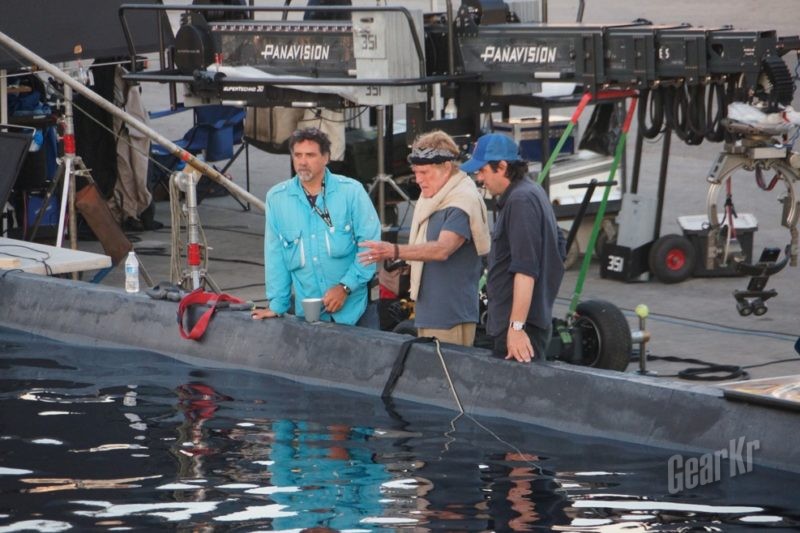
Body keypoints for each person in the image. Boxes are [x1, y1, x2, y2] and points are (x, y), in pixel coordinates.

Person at [358, 130, 490, 346]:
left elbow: (442, 249)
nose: (418, 179)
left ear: (446, 168)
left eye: (425, 172)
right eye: (416, 172)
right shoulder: (434, 196)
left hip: (450, 316)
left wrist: (395, 251)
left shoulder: (461, 203)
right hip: (430, 312)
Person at [252, 127, 381, 325]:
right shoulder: (277, 198)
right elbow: (275, 256)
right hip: (310, 317)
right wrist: (277, 305)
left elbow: (371, 249)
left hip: (356, 314)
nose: (303, 161)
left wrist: (345, 287)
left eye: (310, 155)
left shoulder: (351, 192)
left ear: (326, 157)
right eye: (298, 155)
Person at [461, 133, 566, 362]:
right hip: (529, 322)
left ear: (502, 166)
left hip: (521, 329)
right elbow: (559, 247)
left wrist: (516, 328)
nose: (479, 179)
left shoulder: (520, 202)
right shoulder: (532, 191)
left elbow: (526, 270)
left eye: (483, 171)